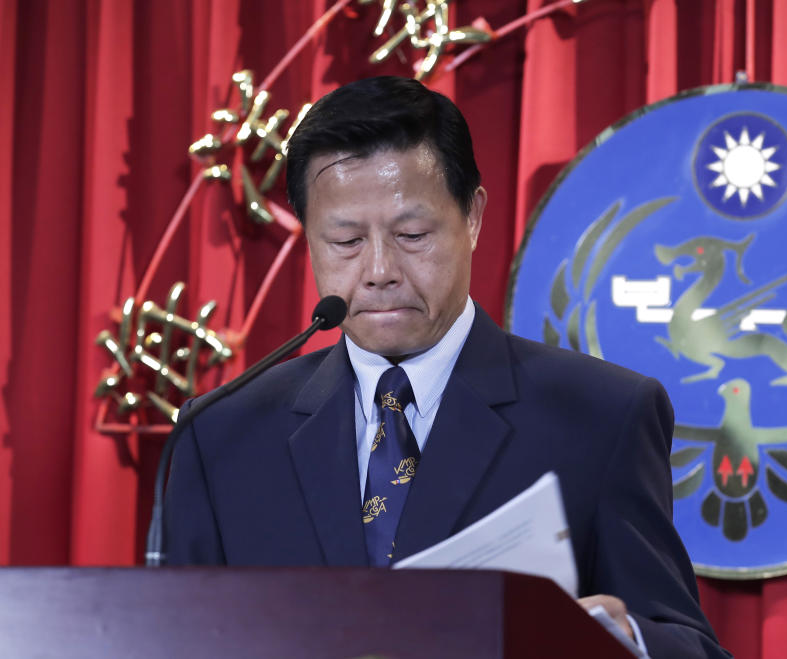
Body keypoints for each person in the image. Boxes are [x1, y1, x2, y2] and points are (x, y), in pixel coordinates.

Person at [164, 76, 730, 658]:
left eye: (412, 234)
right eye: (345, 241)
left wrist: (627, 642)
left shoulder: (600, 416)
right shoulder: (222, 434)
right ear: (309, 239)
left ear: (473, 217)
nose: (379, 270)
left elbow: (688, 642)